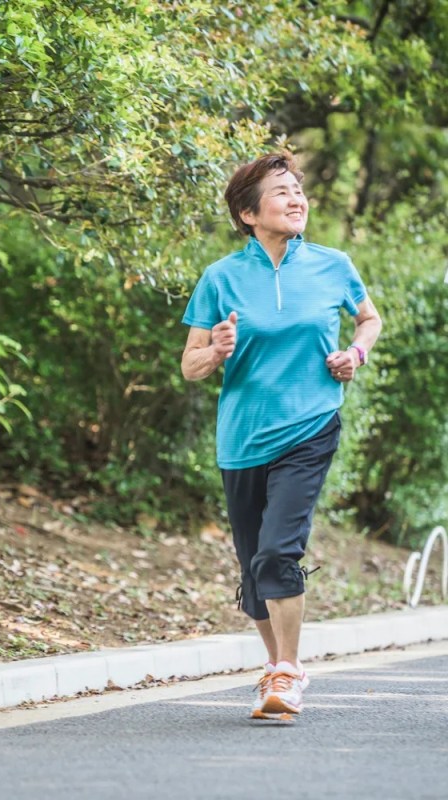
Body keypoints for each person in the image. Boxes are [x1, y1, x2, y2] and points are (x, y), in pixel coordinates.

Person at [180, 151, 382, 719]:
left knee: (277, 551)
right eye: (282, 192)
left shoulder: (331, 264)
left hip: (310, 425)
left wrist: (355, 353)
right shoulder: (221, 278)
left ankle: (289, 671)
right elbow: (189, 364)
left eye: (299, 191)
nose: (298, 200)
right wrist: (215, 350)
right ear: (248, 214)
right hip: (242, 439)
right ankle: (275, 667)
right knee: (253, 572)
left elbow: (369, 318)